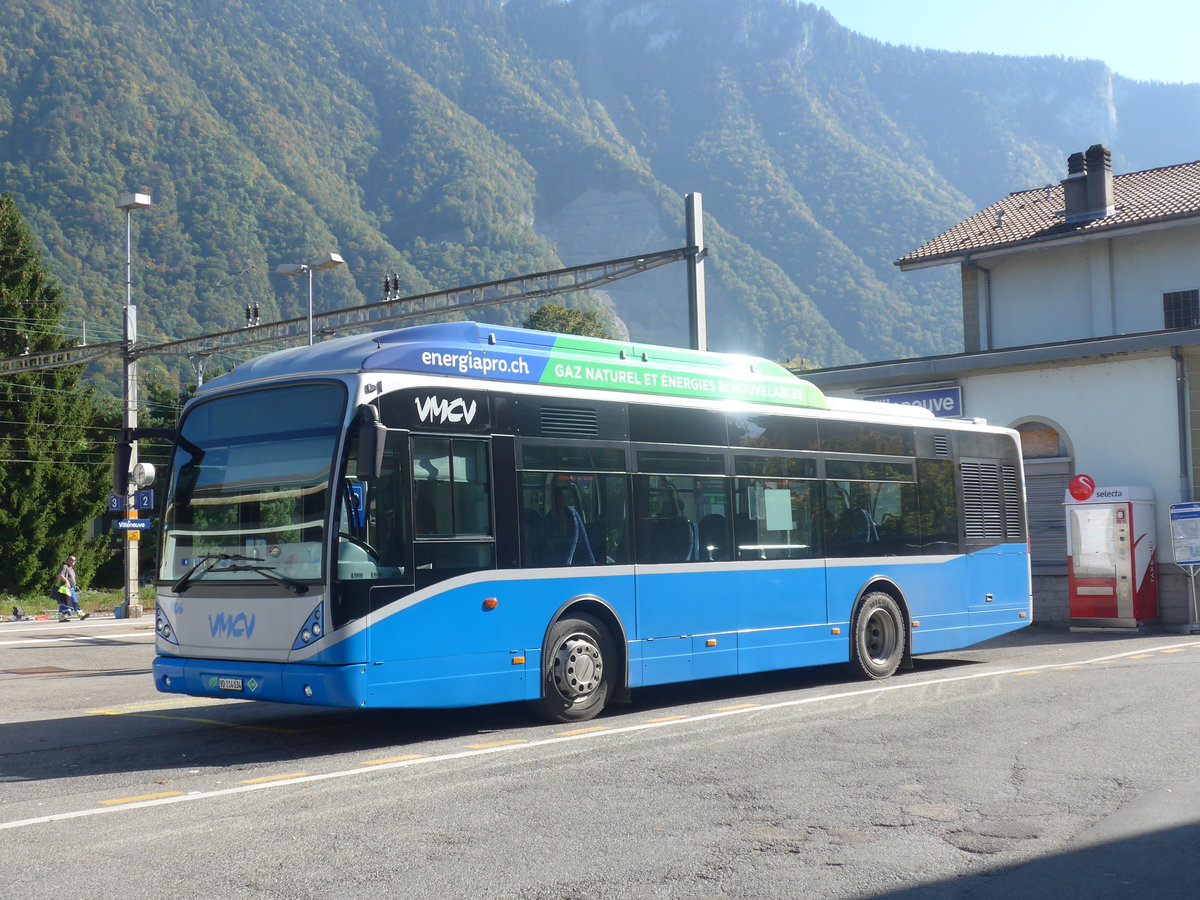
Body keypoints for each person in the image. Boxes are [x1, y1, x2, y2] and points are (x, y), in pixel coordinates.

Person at [56, 554, 89, 622]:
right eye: (71, 559)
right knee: (66, 604)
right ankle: (62, 617)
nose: (73, 561)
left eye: (74, 560)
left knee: (74, 601)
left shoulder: (71, 569)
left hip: (71, 589)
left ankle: (81, 615)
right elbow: (60, 575)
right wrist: (66, 581)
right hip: (65, 589)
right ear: (67, 560)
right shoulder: (65, 567)